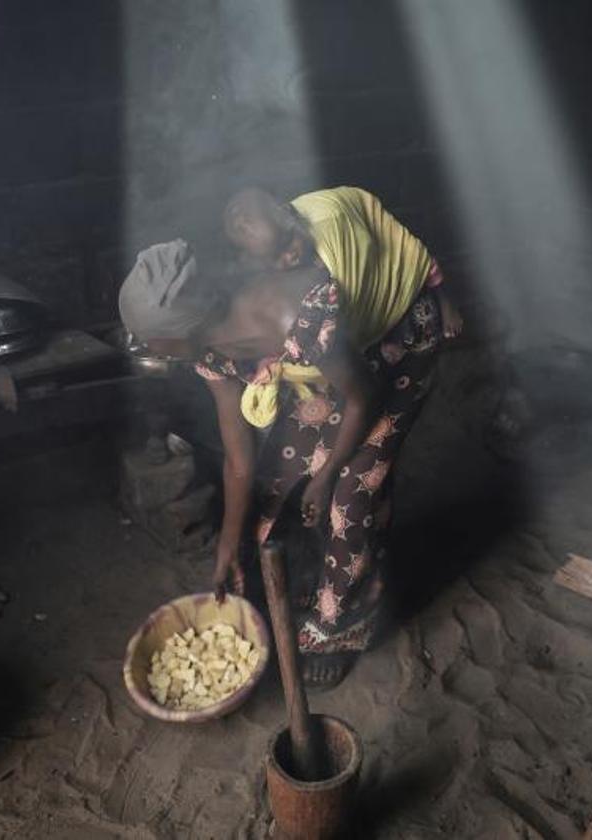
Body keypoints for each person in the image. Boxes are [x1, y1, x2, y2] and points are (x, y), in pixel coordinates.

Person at [119, 233, 444, 688]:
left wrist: (328, 474)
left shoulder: (289, 315)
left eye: (147, 342)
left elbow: (362, 398)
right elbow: (240, 461)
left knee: (351, 495)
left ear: (178, 333)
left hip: (398, 346)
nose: (145, 350)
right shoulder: (210, 351)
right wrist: (228, 545)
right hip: (333, 361)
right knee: (280, 475)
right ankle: (304, 579)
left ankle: (341, 626)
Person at [222, 185, 464, 341]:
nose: (289, 257)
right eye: (276, 258)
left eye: (289, 243)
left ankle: (442, 298)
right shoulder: (272, 259)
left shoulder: (331, 225)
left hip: (373, 235)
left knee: (409, 254)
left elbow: (353, 292)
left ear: (289, 214)